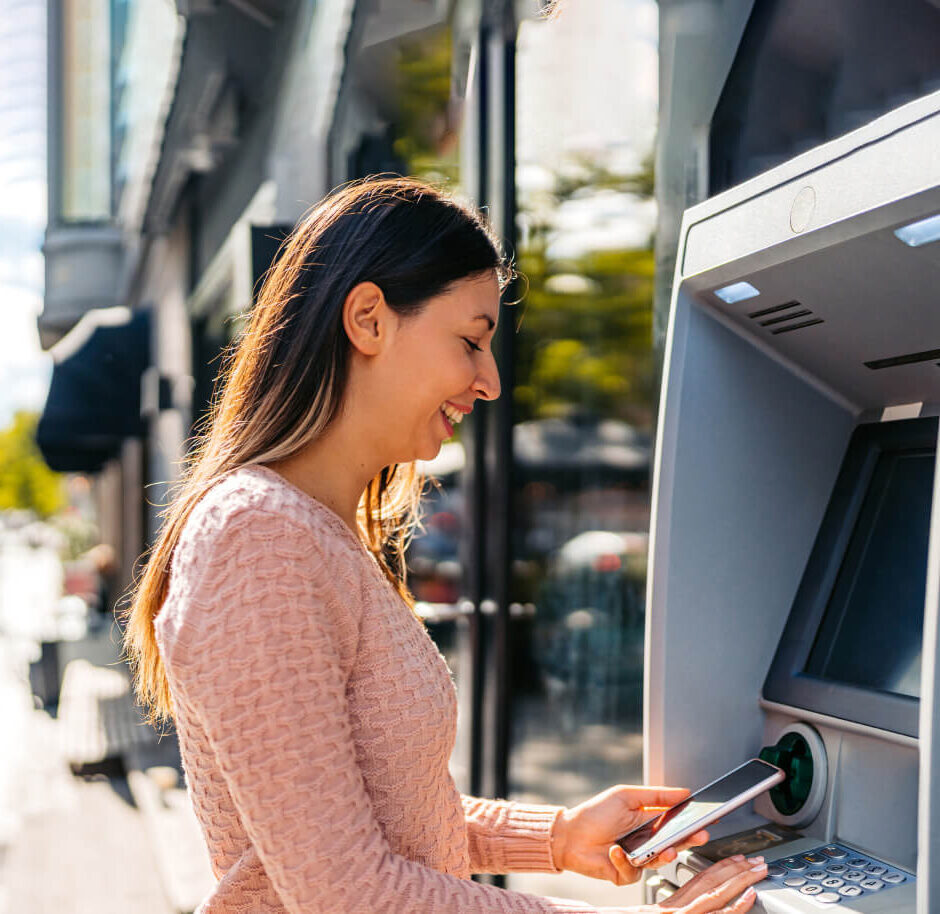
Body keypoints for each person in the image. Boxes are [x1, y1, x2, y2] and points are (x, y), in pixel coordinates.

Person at [123, 177, 766, 913]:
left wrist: (555, 837)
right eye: (471, 340)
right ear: (368, 319)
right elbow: (349, 895)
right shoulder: (258, 537)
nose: (489, 381)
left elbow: (380, 823)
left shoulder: (316, 533)